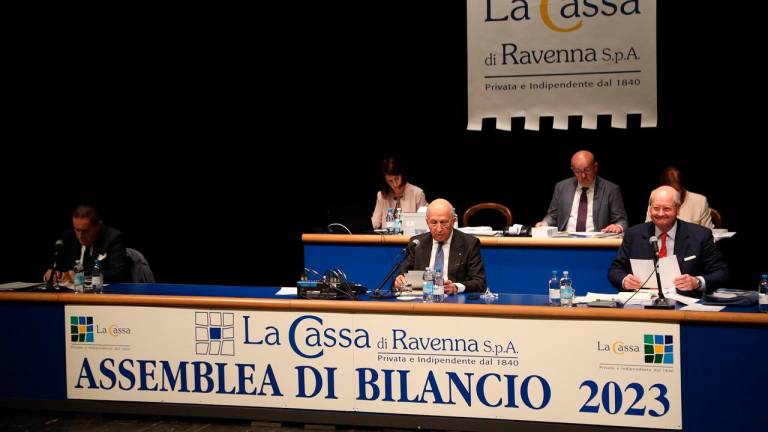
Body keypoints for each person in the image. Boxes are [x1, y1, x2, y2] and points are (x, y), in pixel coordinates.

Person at [608, 186, 729, 297]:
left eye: (666, 209)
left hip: (684, 304)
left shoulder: (700, 235)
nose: (660, 213)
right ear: (650, 209)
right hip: (642, 302)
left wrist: (697, 282)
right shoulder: (633, 234)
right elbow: (615, 270)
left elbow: (721, 272)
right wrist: (624, 280)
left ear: (678, 209)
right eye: (656, 208)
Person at [394, 198, 486, 294]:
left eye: (444, 222)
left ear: (453, 221)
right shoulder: (417, 243)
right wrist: (399, 283)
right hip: (423, 300)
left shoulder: (469, 243)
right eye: (433, 223)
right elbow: (402, 279)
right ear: (427, 222)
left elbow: (480, 283)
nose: (439, 229)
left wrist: (456, 287)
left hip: (454, 302)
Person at [535, 150, 627, 233]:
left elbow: (622, 221)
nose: (583, 176)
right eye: (578, 171)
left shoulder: (611, 189)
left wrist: (617, 226)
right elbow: (552, 215)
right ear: (572, 170)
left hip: (597, 242)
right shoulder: (561, 187)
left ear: (595, 167)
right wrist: (545, 223)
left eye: (587, 170)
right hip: (565, 240)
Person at [44, 205, 132, 285]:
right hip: (71, 294)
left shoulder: (113, 238)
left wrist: (81, 275)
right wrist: (53, 273)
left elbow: (118, 273)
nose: (80, 236)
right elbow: (57, 264)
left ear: (98, 226)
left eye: (85, 231)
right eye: (77, 230)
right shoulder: (67, 237)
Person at [645, 166, 713, 229]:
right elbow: (648, 227)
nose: (675, 195)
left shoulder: (700, 201)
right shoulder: (656, 196)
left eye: (677, 191)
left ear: (682, 187)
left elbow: (709, 233)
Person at [371, 157, 427, 229]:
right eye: (390, 181)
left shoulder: (417, 193)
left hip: (409, 238)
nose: (394, 184)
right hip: (387, 239)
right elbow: (375, 223)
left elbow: (424, 222)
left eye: (396, 178)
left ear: (402, 175)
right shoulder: (381, 195)